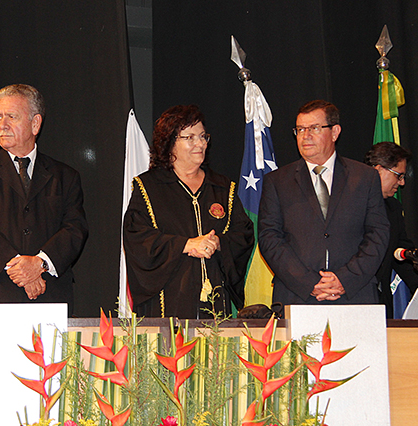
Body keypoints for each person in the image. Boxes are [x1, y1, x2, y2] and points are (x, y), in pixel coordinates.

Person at [0, 84, 88, 315]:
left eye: (11, 117)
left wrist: (39, 264)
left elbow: (75, 228)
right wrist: (20, 268)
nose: (2, 125)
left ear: (35, 123)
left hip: (48, 293)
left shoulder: (65, 176)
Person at [123, 105, 254, 318]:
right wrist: (186, 245)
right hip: (167, 302)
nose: (200, 144)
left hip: (214, 303)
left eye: (203, 136)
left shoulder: (222, 188)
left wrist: (219, 243)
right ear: (169, 142)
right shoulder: (149, 188)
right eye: (190, 137)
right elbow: (138, 240)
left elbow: (244, 235)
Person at [258, 100, 389, 306]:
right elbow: (270, 238)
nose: (305, 136)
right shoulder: (277, 181)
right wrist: (309, 282)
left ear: (335, 132)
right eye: (300, 129)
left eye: (315, 128)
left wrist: (346, 279)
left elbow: (378, 234)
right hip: (298, 296)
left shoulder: (365, 177)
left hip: (354, 294)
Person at [364, 142, 418, 317]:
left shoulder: (393, 208)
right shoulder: (347, 205)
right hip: (352, 302)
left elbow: (402, 254)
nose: (402, 183)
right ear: (379, 170)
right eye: (398, 176)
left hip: (382, 306)